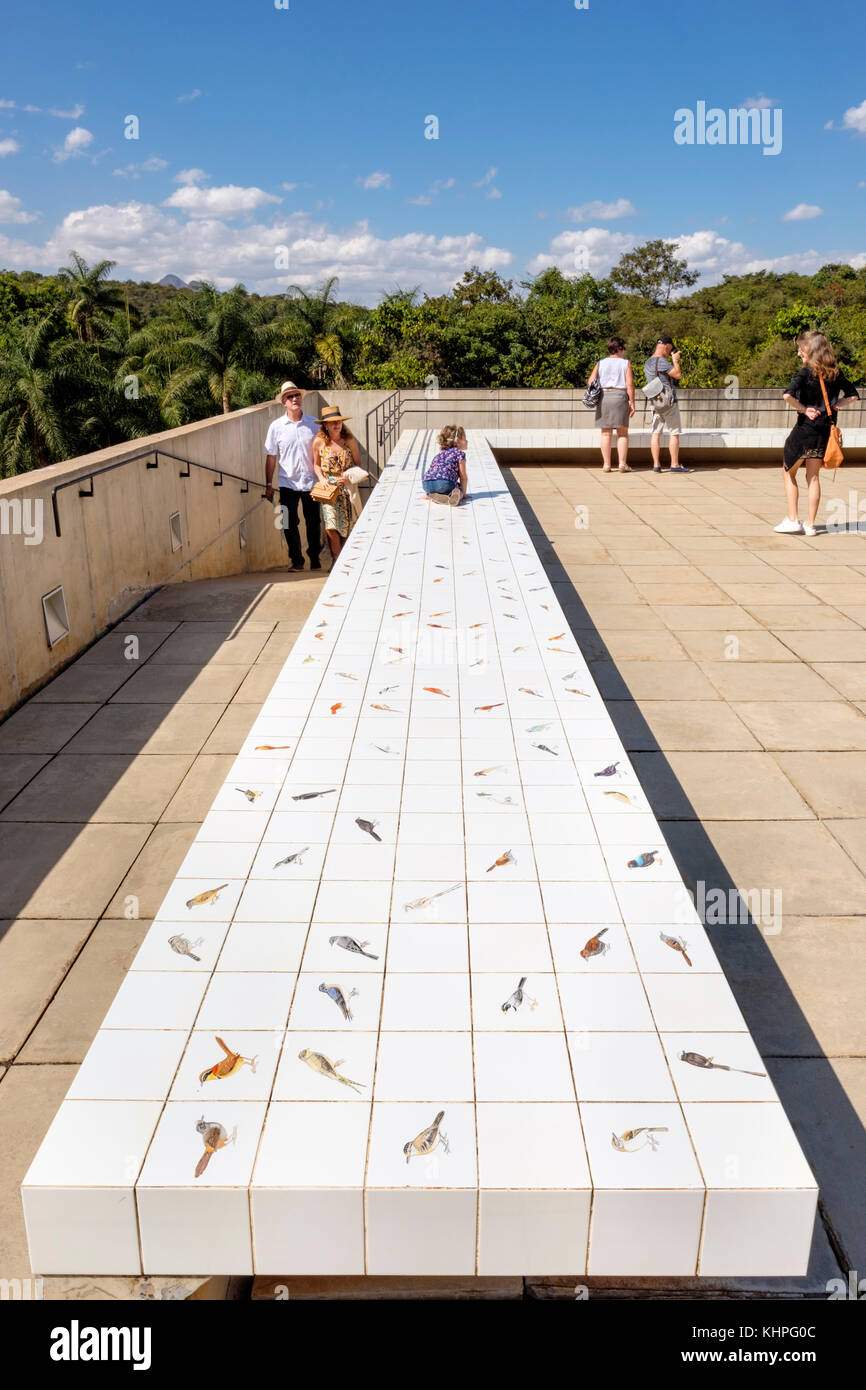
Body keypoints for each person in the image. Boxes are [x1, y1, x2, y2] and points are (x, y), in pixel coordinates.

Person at [776, 331, 860, 536]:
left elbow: (787, 395)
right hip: (824, 431)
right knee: (813, 477)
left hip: (805, 429)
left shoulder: (806, 373)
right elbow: (854, 395)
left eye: (801, 349)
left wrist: (804, 409)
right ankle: (810, 525)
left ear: (811, 350)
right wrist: (837, 404)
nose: (799, 353)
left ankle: (793, 519)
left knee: (788, 471)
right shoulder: (835, 373)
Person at [264, 381, 322, 570]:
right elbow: (271, 457)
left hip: (311, 482)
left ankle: (314, 558)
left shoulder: (314, 424)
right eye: (290, 396)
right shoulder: (276, 427)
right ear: (284, 402)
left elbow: (323, 452)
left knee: (313, 523)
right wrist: (268, 484)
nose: (295, 398)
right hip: (287, 484)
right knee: (288, 523)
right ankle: (297, 560)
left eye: (297, 395)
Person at [312, 404, 361, 560]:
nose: (336, 424)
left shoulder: (349, 440)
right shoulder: (319, 442)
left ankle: (344, 560)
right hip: (329, 488)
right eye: (332, 422)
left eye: (338, 421)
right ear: (325, 425)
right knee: (331, 525)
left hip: (346, 486)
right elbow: (316, 465)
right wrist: (321, 478)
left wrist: (349, 477)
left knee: (347, 526)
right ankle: (335, 559)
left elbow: (358, 464)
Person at [587, 336, 635, 472]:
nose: (624, 351)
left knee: (605, 433)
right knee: (623, 433)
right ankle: (622, 463)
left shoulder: (601, 363)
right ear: (619, 349)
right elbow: (630, 384)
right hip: (620, 396)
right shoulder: (625, 363)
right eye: (623, 348)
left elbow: (591, 381)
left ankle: (606, 465)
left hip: (604, 397)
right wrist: (632, 402)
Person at [645, 335, 691, 473]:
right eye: (669, 349)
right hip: (669, 402)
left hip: (655, 401)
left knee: (655, 434)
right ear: (665, 346)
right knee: (674, 433)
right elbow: (677, 375)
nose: (669, 352)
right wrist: (675, 360)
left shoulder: (647, 362)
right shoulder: (663, 362)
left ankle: (656, 465)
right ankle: (674, 465)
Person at [422, 425, 468, 504]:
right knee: (457, 489)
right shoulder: (460, 453)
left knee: (442, 485)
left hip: (426, 483)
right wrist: (463, 494)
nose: (467, 441)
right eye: (464, 439)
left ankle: (431, 495)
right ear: (458, 440)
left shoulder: (439, 454)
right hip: (444, 483)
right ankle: (456, 496)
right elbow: (463, 477)